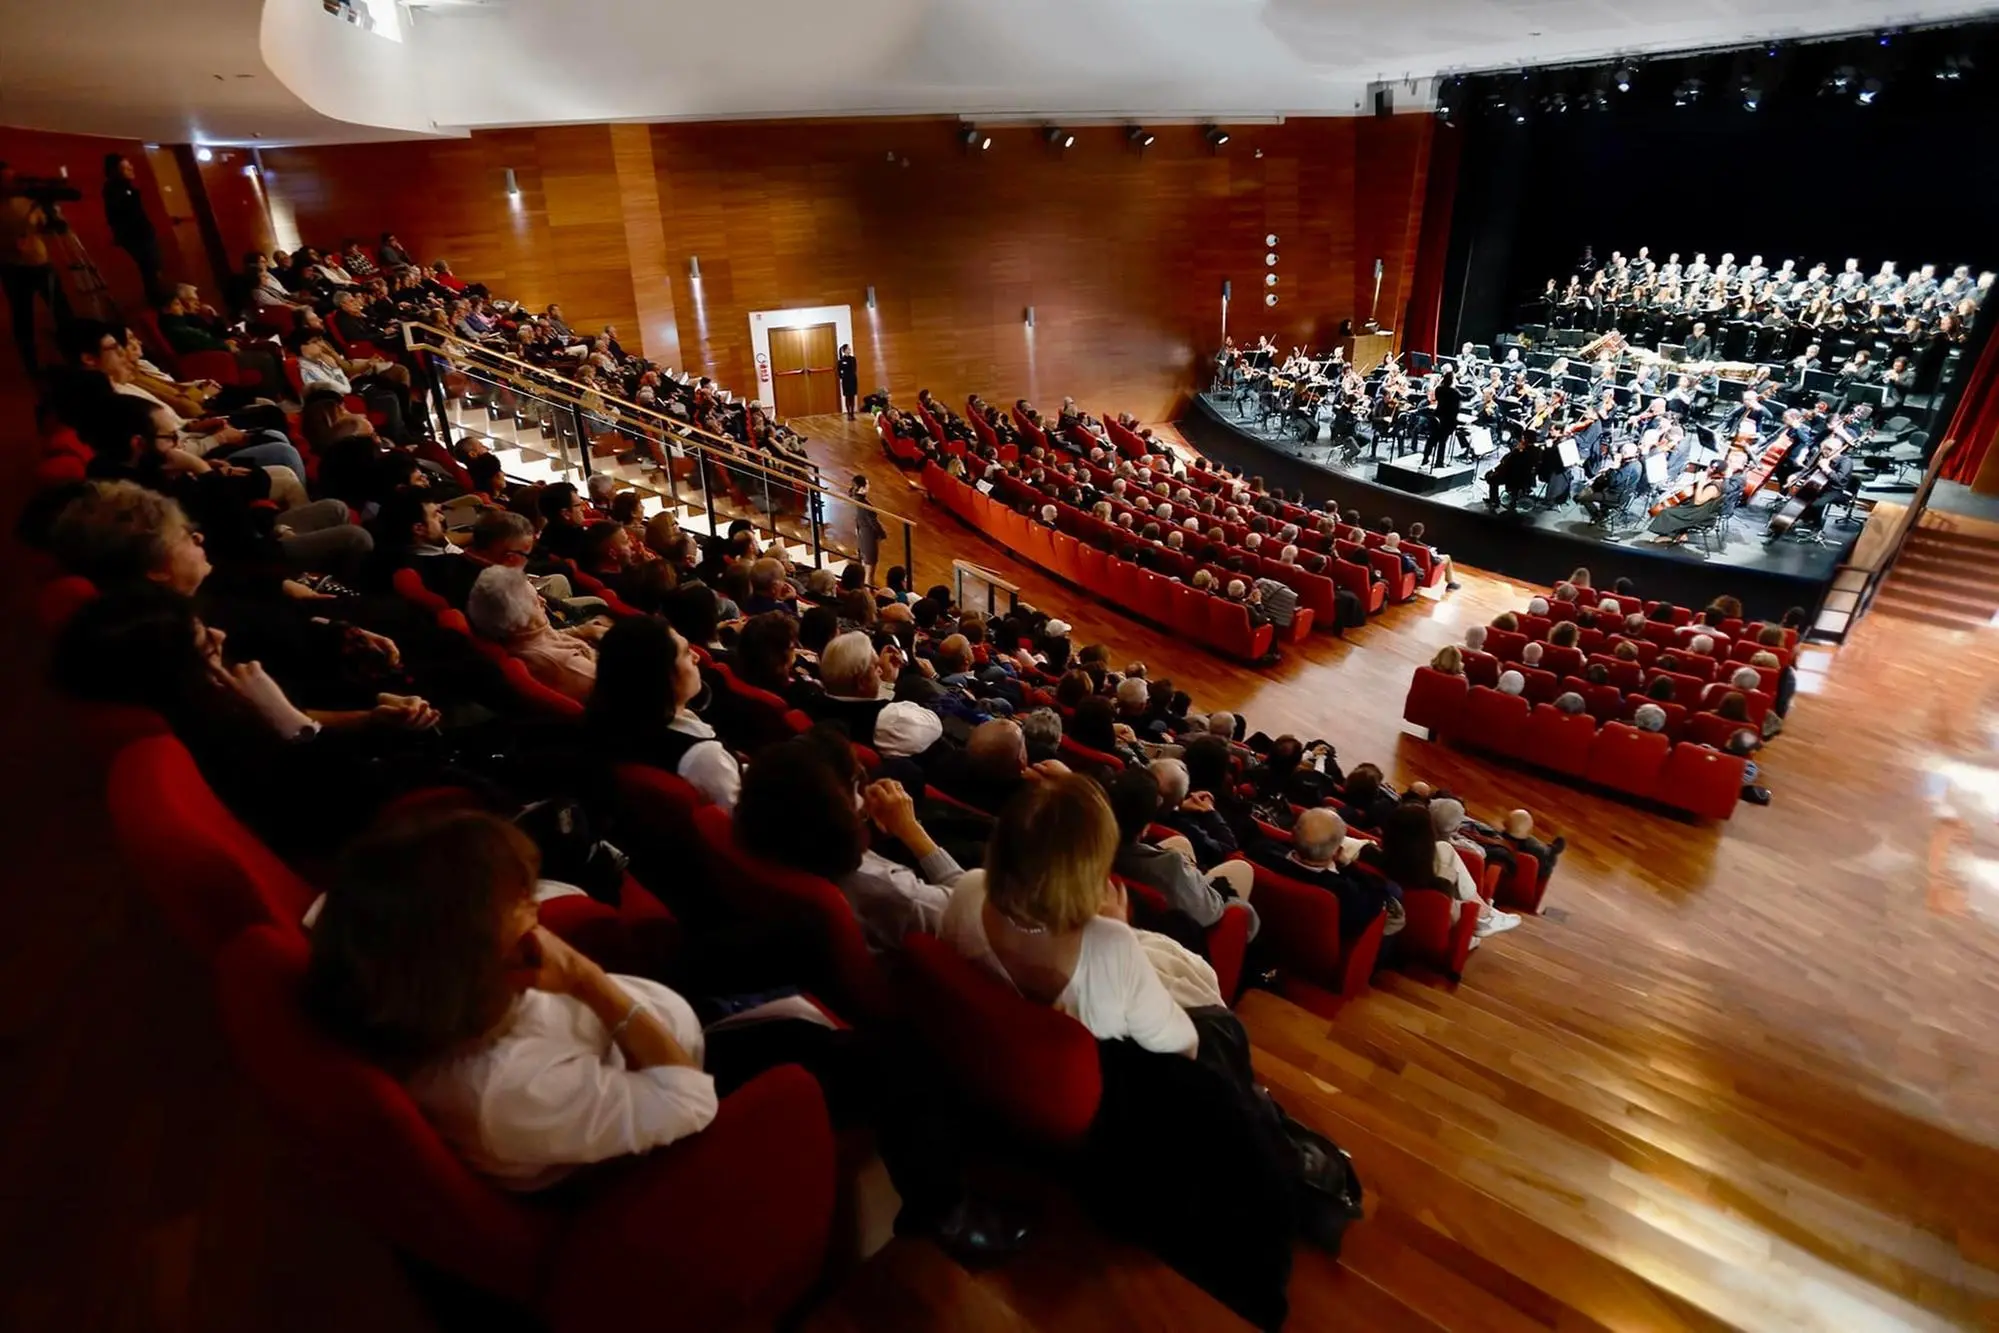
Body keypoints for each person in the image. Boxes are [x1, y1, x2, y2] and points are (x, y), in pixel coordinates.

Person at [305, 811, 719, 1190]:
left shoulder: (383, 943)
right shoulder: (505, 1093)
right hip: (686, 1072)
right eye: (518, 902)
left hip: (636, 1015)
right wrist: (586, 978)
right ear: (466, 959)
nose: (535, 904)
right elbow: (689, 1103)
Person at [939, 773, 1198, 1055]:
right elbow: (1183, 1043)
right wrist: (1117, 933)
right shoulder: (1111, 943)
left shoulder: (968, 888)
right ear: (1092, 871)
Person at [736, 734, 969, 952]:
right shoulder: (890, 889)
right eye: (856, 783)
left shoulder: (760, 824)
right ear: (834, 815)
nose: (865, 791)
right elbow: (973, 913)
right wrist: (912, 830)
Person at [583, 616, 742, 809]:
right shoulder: (706, 759)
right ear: (660, 677)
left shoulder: (615, 721)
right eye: (685, 653)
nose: (696, 656)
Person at [1106, 769, 1258, 941]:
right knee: (1242, 868)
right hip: (1182, 935)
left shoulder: (1084, 843)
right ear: (1145, 828)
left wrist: (1177, 808)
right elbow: (1211, 911)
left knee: (1180, 842)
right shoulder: (1171, 865)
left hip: (1132, 877)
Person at [466, 564, 606, 703]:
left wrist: (582, 631)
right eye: (535, 601)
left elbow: (547, 638)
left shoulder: (520, 636)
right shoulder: (562, 663)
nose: (543, 601)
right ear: (520, 618)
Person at [0, 160, 70, 371]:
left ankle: (74, 351)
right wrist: (11, 243)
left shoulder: (28, 201)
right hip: (13, 268)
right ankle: (30, 363)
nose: (13, 183)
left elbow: (46, 227)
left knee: (62, 309)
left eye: (14, 178)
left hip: (41, 263)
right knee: (23, 317)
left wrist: (52, 216)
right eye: (7, 180)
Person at [101, 153, 164, 305]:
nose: (130, 169)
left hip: (142, 233)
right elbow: (117, 215)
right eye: (125, 167)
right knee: (149, 268)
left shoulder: (126, 186)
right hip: (136, 236)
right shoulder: (114, 189)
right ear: (115, 170)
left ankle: (159, 299)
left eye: (130, 165)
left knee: (154, 267)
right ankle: (157, 302)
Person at [836, 343, 860, 418]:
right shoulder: (841, 361)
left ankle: (852, 413)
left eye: (850, 349)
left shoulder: (853, 359)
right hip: (845, 381)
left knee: (852, 397)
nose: (850, 350)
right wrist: (842, 377)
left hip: (852, 380)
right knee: (847, 397)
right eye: (848, 349)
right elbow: (839, 371)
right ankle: (849, 414)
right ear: (844, 350)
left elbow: (854, 369)